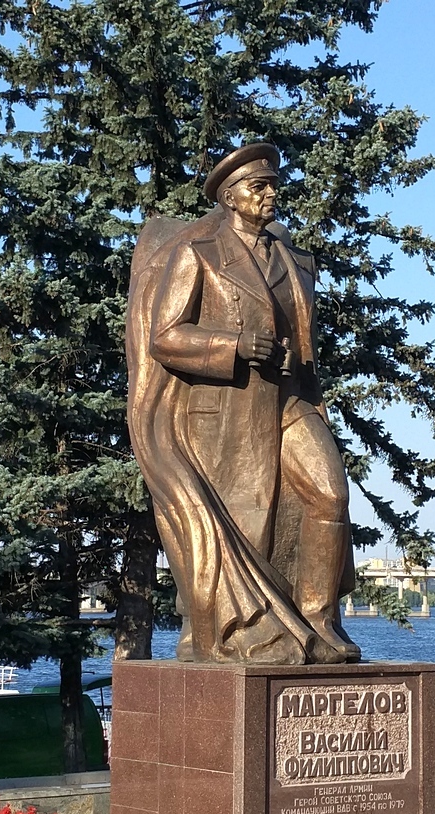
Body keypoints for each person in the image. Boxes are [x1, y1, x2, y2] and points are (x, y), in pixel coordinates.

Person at [126, 143, 359, 664]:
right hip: (226, 415)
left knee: (330, 494)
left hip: (291, 402)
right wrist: (232, 345)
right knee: (250, 526)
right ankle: (240, 632)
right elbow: (165, 336)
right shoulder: (199, 253)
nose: (271, 194)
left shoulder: (295, 261)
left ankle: (318, 620)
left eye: (274, 185)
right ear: (231, 197)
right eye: (260, 187)